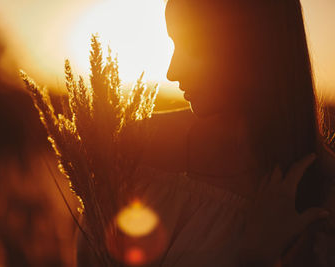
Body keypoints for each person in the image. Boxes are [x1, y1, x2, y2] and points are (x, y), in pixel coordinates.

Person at [77, 0, 335, 266]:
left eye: (193, 46)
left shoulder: (324, 199)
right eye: (174, 43)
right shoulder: (136, 146)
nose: (172, 72)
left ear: (253, 46)